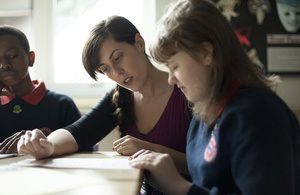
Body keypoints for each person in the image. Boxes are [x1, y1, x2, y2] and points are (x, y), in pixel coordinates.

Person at [128, 0, 300, 195]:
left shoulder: (260, 114)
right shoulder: (203, 115)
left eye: (174, 66)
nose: (171, 80)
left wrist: (179, 186)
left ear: (206, 53)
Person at [17, 16, 191, 194]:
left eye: (118, 58)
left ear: (139, 42)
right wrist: (45, 145)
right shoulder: (119, 96)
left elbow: (207, 165)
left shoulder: (188, 92)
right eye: (105, 69)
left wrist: (149, 149)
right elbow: (78, 132)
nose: (116, 73)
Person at [0, 25, 81, 154]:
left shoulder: (62, 104)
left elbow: (84, 149)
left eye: (13, 56)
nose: (4, 65)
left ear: (31, 58)